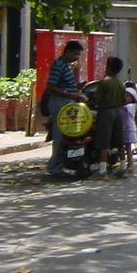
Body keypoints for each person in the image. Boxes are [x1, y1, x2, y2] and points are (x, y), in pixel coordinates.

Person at [44, 40, 88, 177]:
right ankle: (54, 168)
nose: (76, 58)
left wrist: (78, 86)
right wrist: (70, 94)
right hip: (59, 102)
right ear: (67, 51)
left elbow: (65, 83)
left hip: (68, 102)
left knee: (68, 134)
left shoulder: (68, 65)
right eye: (75, 54)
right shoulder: (58, 64)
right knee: (60, 136)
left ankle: (63, 164)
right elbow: (50, 86)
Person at [87, 56, 127, 180]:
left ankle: (102, 171)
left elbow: (97, 100)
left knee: (103, 142)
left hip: (106, 112)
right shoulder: (120, 83)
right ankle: (123, 168)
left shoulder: (104, 82)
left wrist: (86, 103)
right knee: (119, 141)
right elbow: (123, 101)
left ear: (108, 68)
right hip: (118, 112)